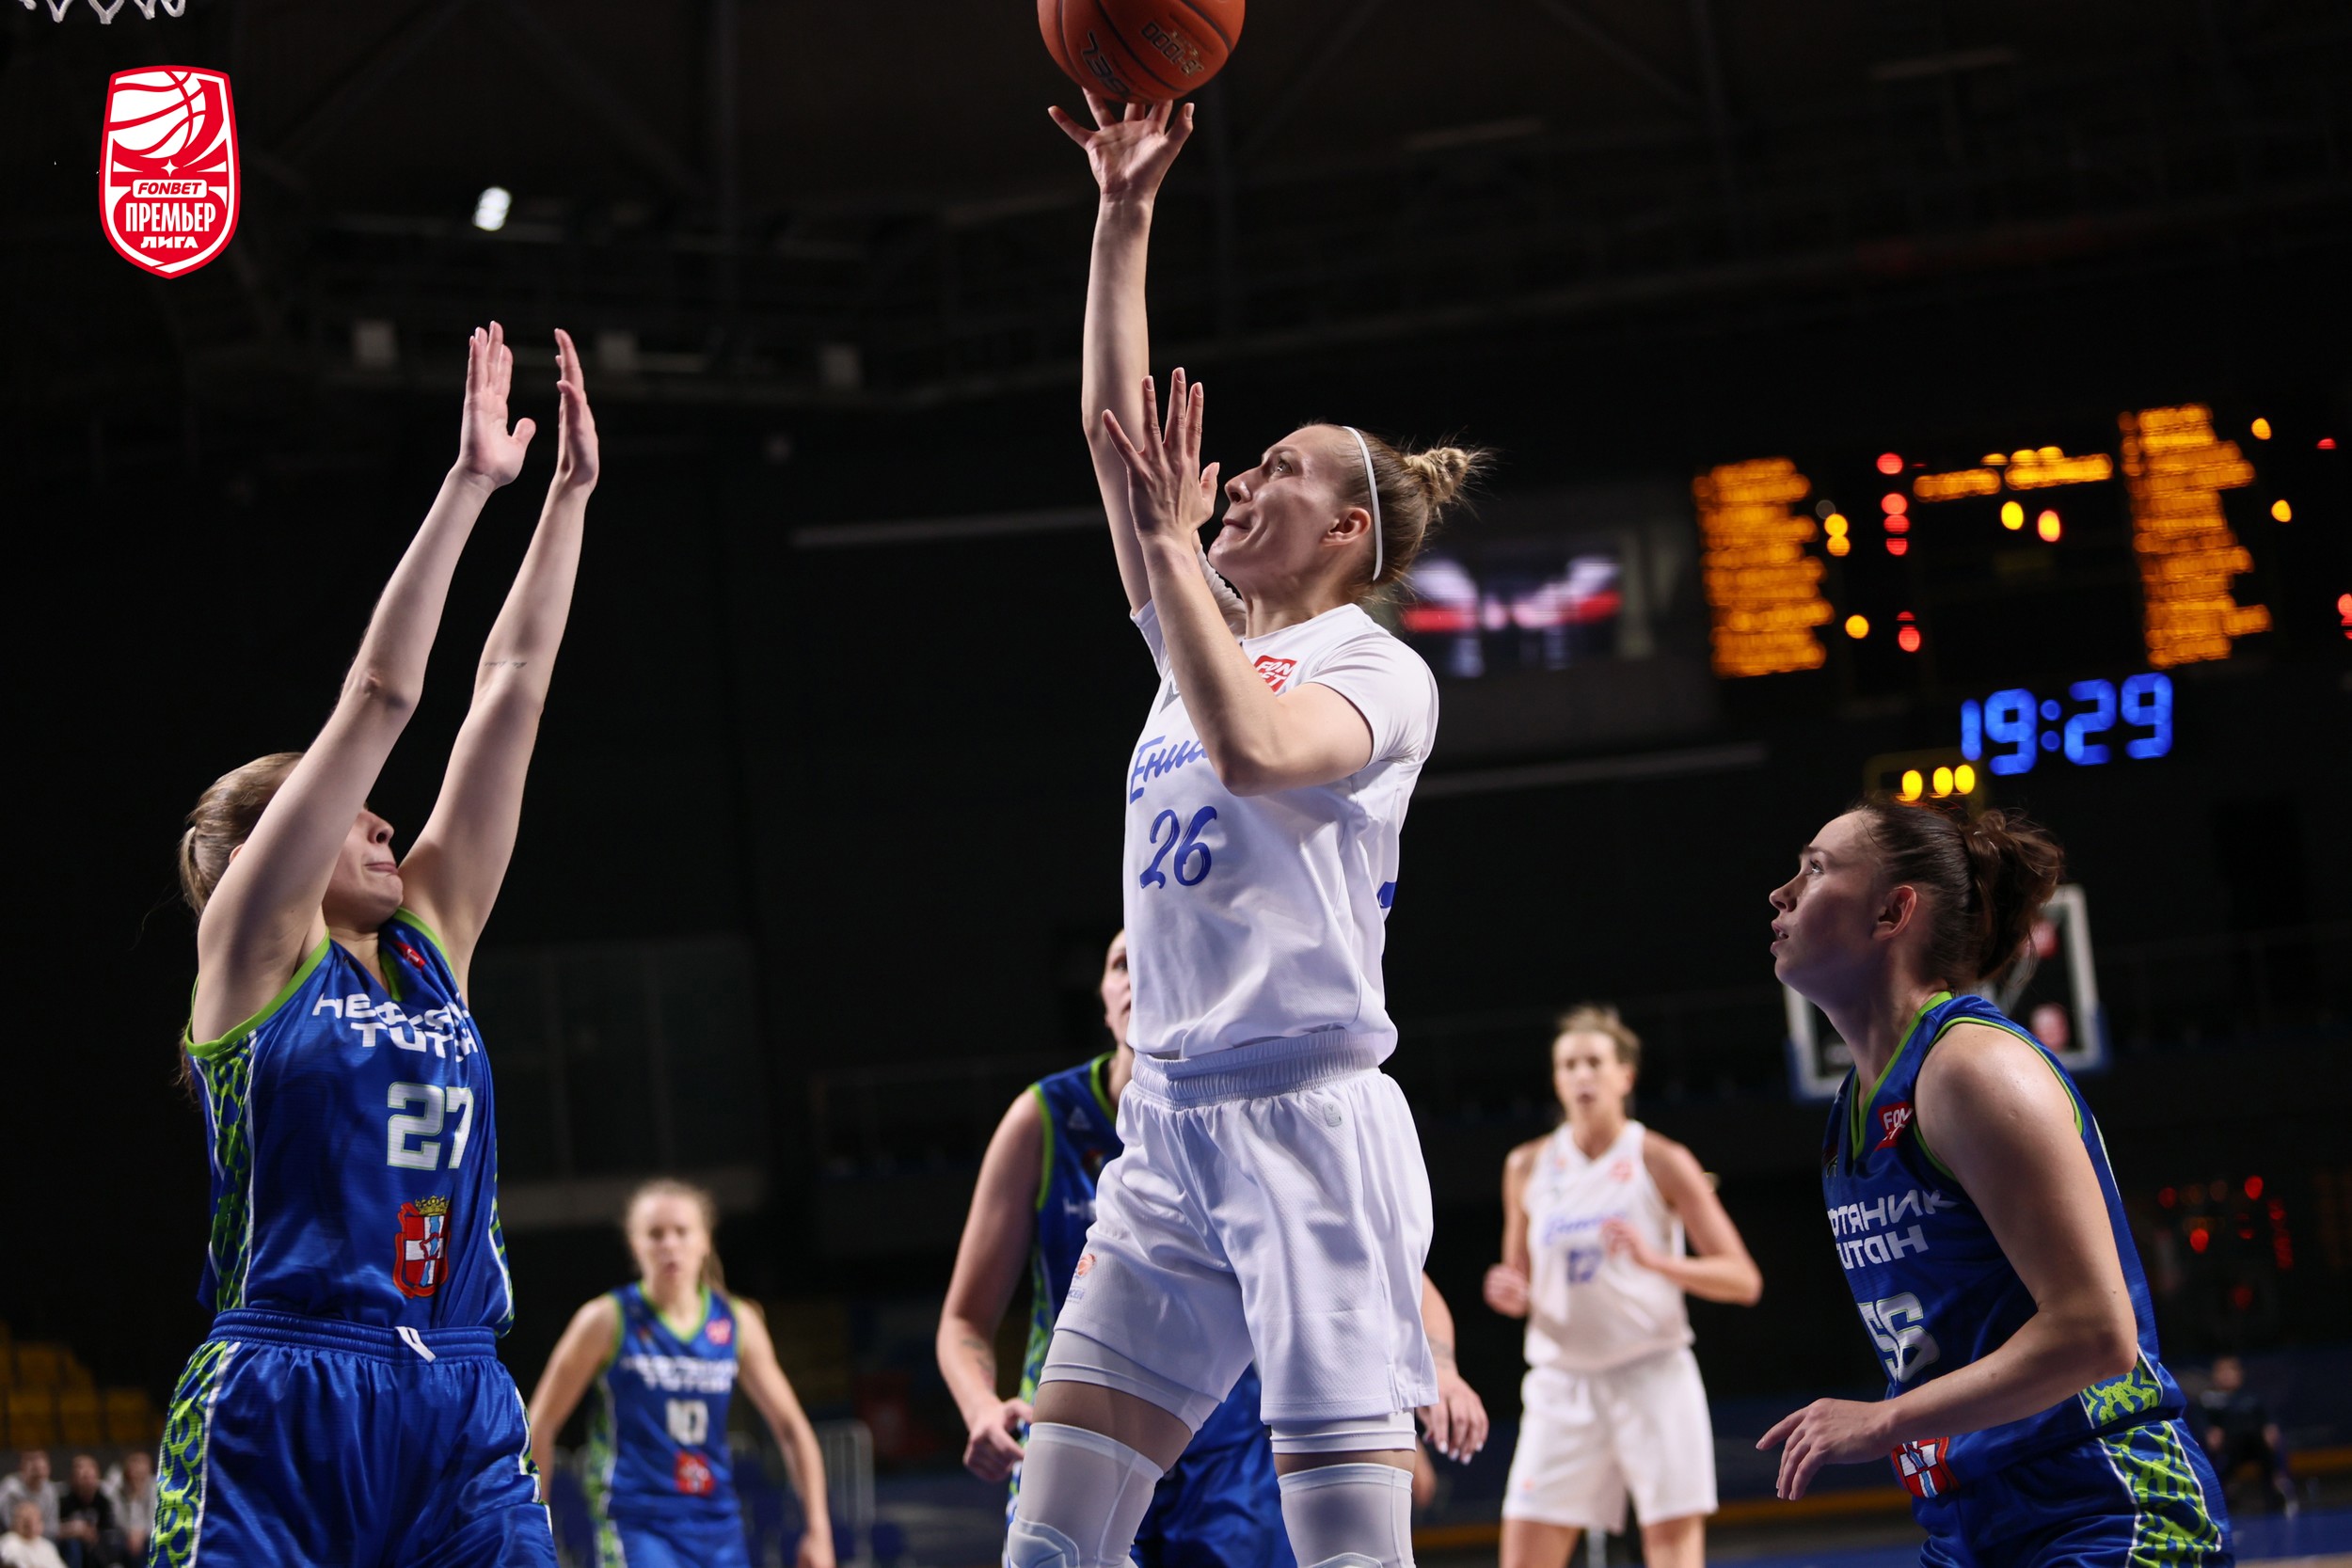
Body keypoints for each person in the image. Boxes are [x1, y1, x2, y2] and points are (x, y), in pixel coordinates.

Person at [1009, 91, 1486, 1568]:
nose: (1238, 476)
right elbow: (1116, 445)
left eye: (1280, 466)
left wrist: (1166, 543)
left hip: (1309, 1121)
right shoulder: (1197, 640)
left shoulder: (1375, 669)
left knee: (1347, 1550)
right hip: (1167, 1126)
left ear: (1347, 531)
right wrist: (1123, 213)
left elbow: (1257, 750)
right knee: (1053, 1541)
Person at [152, 322, 598, 1568]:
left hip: (458, 1390)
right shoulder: (253, 949)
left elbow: (511, 684)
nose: (385, 818)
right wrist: (470, 486)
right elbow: (382, 697)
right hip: (285, 1394)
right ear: (276, 843)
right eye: (354, 810)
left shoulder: (427, 945)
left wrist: (568, 499)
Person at [1759, 801, 2230, 1565]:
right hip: (1971, 1526)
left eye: (1815, 868)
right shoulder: (1854, 1111)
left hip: (2104, 1507)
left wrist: (1884, 1421)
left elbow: (2097, 1332)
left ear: (1892, 911)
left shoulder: (1973, 1067)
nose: (1780, 892)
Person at [938, 935, 1488, 1568]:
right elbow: (964, 1318)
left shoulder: (1249, 1106)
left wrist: (1434, 1370)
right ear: (1102, 995)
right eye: (1120, 965)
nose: (1137, 977)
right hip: (1086, 1423)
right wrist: (981, 1407)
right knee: (1049, 1552)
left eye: (1151, 957)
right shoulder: (1044, 1117)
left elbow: (1389, 1273)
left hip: (1229, 1469)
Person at [1483, 1006, 1761, 1568]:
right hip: (1562, 1383)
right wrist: (1507, 1292)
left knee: (1672, 1553)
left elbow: (1743, 1279)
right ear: (1556, 1080)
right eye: (1568, 1065)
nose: (1581, 1075)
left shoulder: (1661, 1159)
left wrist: (1657, 1261)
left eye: (1594, 1062)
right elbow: (1519, 1281)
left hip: (1652, 1377)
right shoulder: (1527, 1166)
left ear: (1625, 1076)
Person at [527, 1180, 835, 1568]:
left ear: (705, 1241)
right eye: (656, 1234)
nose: (669, 1244)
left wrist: (819, 1529)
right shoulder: (606, 1319)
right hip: (635, 1521)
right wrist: (533, 1529)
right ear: (635, 1245)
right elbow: (541, 1423)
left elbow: (791, 1428)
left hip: (716, 1520)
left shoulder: (737, 1321)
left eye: (682, 1231)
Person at [2198, 1356, 2296, 1514]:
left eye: (2231, 1371)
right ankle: (2222, 1491)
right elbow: (2201, 1423)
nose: (2227, 1375)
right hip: (2228, 1448)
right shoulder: (2208, 1400)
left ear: (2239, 1374)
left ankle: (2276, 1488)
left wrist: (2269, 1427)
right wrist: (2209, 1431)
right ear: (2215, 1375)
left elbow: (2267, 1419)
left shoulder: (2251, 1398)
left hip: (2255, 1444)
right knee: (2229, 1447)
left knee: (2268, 1441)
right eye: (2222, 1371)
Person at [54, 1457, 121, 1568]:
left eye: (89, 1477)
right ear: (73, 1478)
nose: (86, 1482)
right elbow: (54, 1530)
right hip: (71, 1545)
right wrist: (73, 1530)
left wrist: (91, 1533)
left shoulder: (103, 1501)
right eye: (81, 1477)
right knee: (73, 1545)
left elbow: (108, 1528)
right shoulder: (63, 1500)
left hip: (97, 1544)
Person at [100, 1455, 152, 1565]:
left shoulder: (156, 1488)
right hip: (126, 1537)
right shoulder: (118, 1491)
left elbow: (155, 1518)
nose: (136, 1479)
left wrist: (141, 1534)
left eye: (140, 1475)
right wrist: (133, 1499)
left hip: (148, 1535)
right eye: (133, 1475)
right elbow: (118, 1520)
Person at [0, 1458, 55, 1544]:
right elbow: (5, 1520)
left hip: (41, 1537)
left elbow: (53, 1526)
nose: (38, 1475)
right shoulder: (11, 1487)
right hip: (10, 1533)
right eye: (34, 1470)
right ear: (24, 1470)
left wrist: (36, 1530)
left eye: (42, 1471)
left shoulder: (49, 1490)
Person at [3, 1503, 65, 1568]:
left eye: (36, 1520)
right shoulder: (10, 1542)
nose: (31, 1525)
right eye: (26, 1520)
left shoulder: (46, 1545)